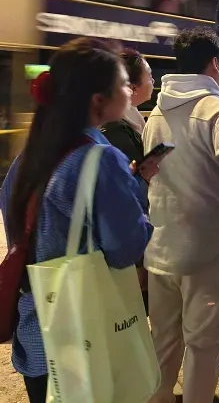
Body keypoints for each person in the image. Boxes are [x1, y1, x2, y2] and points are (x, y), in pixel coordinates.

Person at [0, 38, 157, 403]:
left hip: (37, 333)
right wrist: (139, 196)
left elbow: (17, 226)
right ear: (98, 100)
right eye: (123, 84)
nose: (129, 91)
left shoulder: (31, 155)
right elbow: (125, 249)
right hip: (87, 337)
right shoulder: (102, 159)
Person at [142, 28, 219, 403]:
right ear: (215, 64)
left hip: (162, 247)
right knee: (204, 344)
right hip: (209, 251)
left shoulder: (157, 113)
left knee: (163, 340)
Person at [101, 47, 155, 305]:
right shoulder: (117, 133)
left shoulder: (131, 122)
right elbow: (121, 199)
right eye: (149, 76)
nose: (153, 81)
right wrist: (145, 177)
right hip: (122, 248)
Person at [102, 48, 154, 165]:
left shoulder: (131, 117)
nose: (153, 81)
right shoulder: (116, 129)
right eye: (150, 76)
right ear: (133, 87)